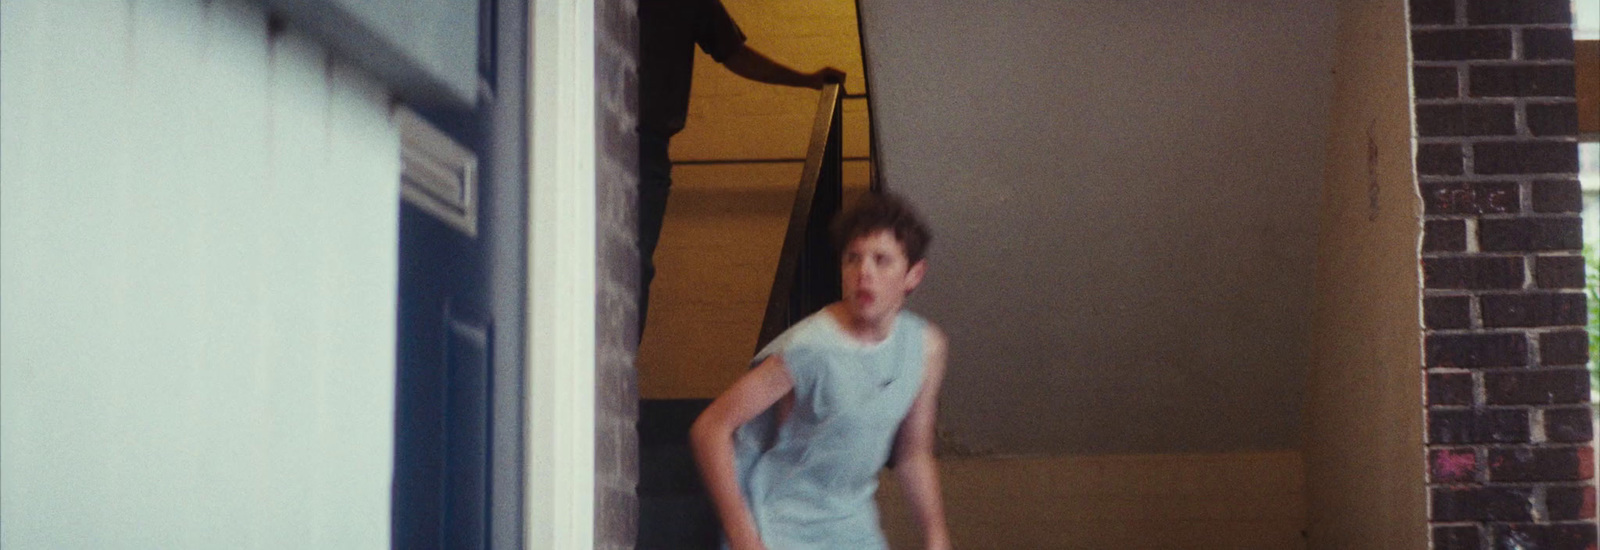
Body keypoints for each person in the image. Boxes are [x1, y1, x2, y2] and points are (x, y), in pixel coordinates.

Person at [689, 193, 952, 550]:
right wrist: (743, 538)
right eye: (852, 259)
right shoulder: (810, 346)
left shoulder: (926, 347)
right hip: (782, 523)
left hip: (852, 523)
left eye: (882, 260)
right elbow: (711, 428)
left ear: (913, 274)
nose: (864, 274)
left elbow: (913, 453)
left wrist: (936, 537)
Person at [637, 0, 846, 331]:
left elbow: (735, 54)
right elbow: (735, 55)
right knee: (635, 263)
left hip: (644, 144)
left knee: (634, 264)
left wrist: (806, 80)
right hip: (641, 144)